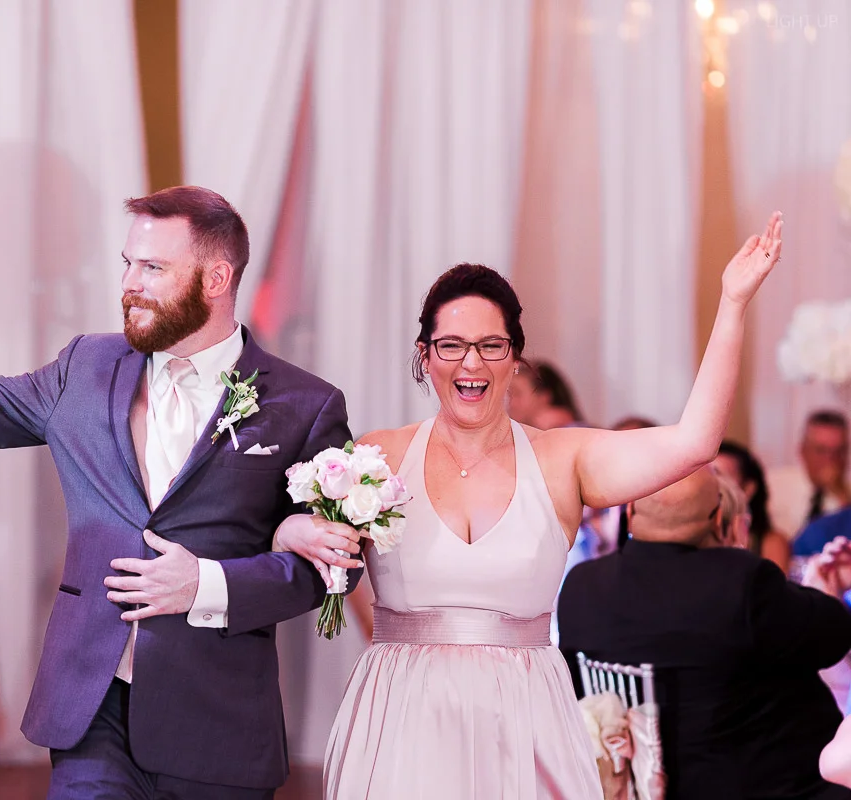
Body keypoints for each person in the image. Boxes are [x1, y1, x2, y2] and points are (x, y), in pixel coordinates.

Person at [0, 171, 356, 799]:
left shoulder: (303, 404)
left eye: (153, 268)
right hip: (91, 709)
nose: (130, 283)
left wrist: (207, 584)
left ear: (216, 279)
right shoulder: (85, 366)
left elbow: (331, 569)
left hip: (217, 721)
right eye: (128, 263)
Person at [278, 213, 783, 798]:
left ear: (515, 357)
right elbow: (299, 538)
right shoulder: (379, 455)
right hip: (403, 710)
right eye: (451, 346)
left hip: (524, 715)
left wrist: (733, 302)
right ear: (425, 356)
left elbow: (695, 443)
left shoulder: (562, 459)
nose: (471, 363)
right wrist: (289, 531)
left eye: (491, 346)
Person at [559, 467, 851, 800]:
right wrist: (823, 591)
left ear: (629, 513)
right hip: (776, 788)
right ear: (718, 520)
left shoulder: (581, 584)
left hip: (637, 787)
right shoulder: (739, 581)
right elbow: (834, 638)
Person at [768, 410, 850, 539]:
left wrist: (842, 494)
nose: (830, 459)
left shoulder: (846, 494)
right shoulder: (773, 485)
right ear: (802, 451)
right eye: (821, 450)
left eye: (839, 451)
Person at [713, 439, 791, 571]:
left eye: (722, 478)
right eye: (709, 477)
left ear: (748, 489)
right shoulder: (694, 536)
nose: (714, 485)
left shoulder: (770, 543)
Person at [506, 359, 583, 429]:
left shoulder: (572, 431)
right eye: (509, 394)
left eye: (517, 394)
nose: (511, 403)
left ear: (544, 397)